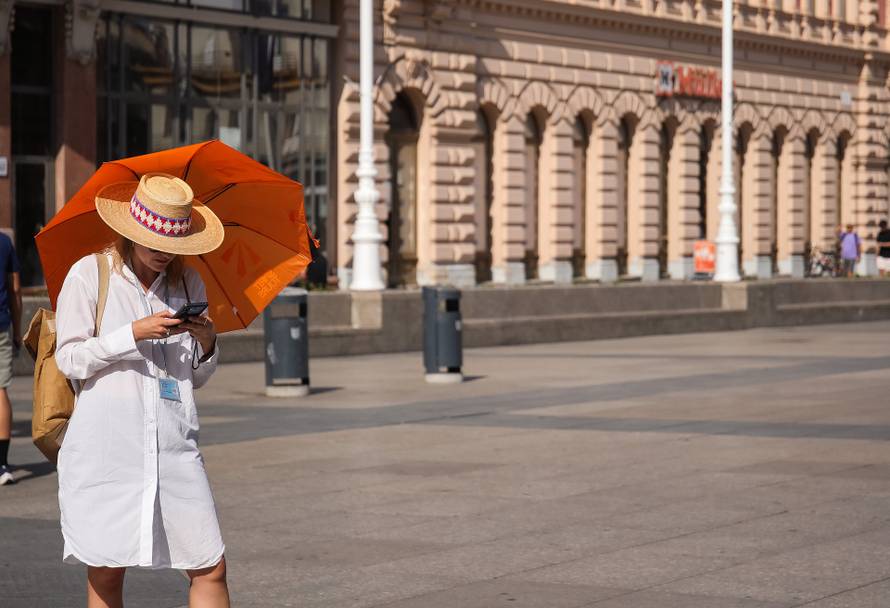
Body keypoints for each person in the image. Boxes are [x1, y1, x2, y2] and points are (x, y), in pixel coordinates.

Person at [54, 174, 230, 607]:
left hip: (173, 444)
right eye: (153, 242)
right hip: (108, 447)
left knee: (210, 565)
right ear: (130, 232)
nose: (162, 253)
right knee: (107, 570)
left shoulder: (189, 285)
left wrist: (206, 343)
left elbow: (194, 376)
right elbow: (70, 359)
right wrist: (131, 334)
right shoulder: (89, 275)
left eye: (171, 245)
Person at [0, 231, 22, 486]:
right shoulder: (5, 243)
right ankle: (3, 464)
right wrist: (18, 331)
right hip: (2, 324)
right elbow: (15, 290)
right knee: (1, 390)